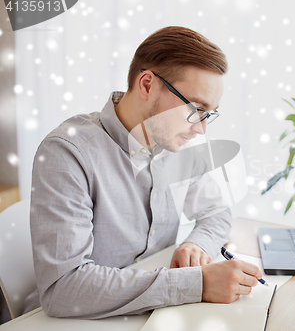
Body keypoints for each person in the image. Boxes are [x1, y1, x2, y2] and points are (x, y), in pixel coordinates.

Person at [23, 26, 262, 319]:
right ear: (147, 85)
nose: (201, 128)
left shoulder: (177, 144)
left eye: (208, 114)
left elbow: (217, 211)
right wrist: (196, 284)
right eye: (196, 108)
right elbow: (64, 289)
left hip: (153, 314)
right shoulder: (67, 153)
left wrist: (196, 244)